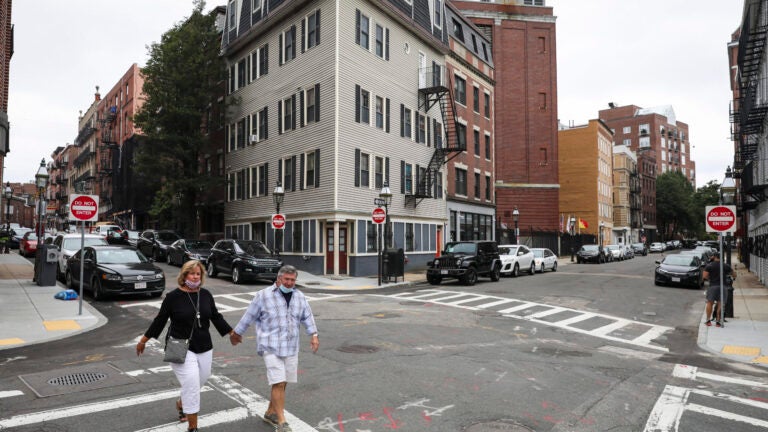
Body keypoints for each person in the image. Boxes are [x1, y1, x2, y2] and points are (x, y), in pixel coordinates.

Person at [136, 260, 234, 432]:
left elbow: (216, 317)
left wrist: (231, 333)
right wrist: (144, 340)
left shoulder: (205, 295)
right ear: (184, 275)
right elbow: (160, 320)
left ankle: (182, 403)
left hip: (204, 345)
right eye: (192, 273)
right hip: (179, 346)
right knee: (191, 384)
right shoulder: (173, 297)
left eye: (198, 274)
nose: (195, 277)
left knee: (200, 380)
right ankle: (193, 427)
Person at [230, 265, 319, 432]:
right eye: (286, 279)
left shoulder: (299, 296)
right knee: (278, 382)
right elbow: (249, 315)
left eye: (293, 280)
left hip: (291, 346)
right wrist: (237, 333)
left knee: (283, 382)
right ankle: (282, 421)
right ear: (279, 279)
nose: (290, 283)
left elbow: (307, 316)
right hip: (270, 345)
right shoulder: (263, 296)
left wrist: (313, 335)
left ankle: (271, 412)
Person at [703, 251, 734, 328]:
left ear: (714, 257)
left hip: (713, 286)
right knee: (721, 303)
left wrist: (710, 278)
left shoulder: (709, 266)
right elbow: (733, 274)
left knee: (710, 303)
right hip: (723, 286)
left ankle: (708, 320)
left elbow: (704, 276)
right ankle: (718, 321)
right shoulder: (725, 266)